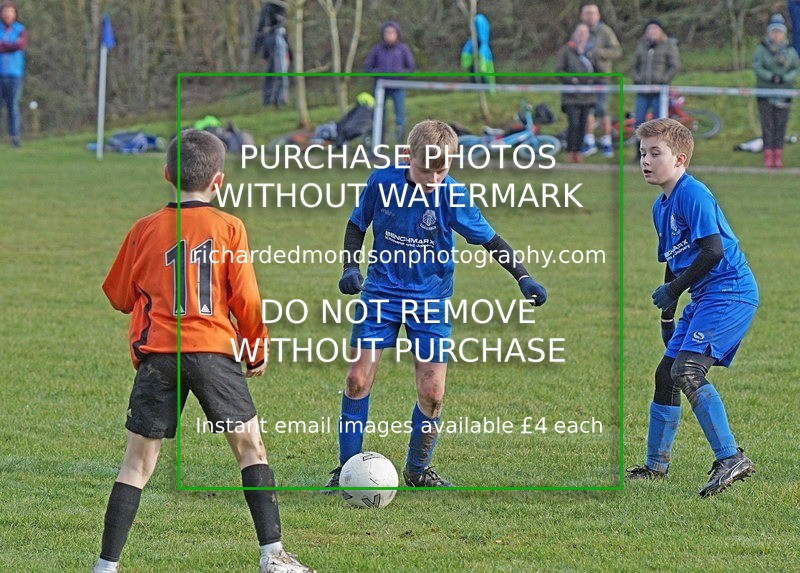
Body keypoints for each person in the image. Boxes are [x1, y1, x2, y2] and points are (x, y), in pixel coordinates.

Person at [93, 130, 314, 573]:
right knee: (250, 448)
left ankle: (106, 566)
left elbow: (118, 295)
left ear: (166, 173)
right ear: (219, 180)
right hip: (214, 353)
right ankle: (272, 556)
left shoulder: (144, 229)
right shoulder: (230, 228)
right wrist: (255, 348)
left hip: (159, 357)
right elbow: (246, 300)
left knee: (137, 463)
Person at [322, 120, 547, 490]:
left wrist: (523, 277)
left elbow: (491, 240)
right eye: (426, 170)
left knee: (433, 392)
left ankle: (418, 470)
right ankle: (347, 469)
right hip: (381, 294)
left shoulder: (452, 195)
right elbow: (356, 225)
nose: (433, 178)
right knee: (357, 378)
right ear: (407, 156)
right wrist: (350, 266)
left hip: (430, 300)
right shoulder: (382, 183)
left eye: (442, 170)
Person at [626, 118, 758, 498]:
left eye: (655, 153)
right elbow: (675, 257)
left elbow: (713, 251)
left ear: (680, 158)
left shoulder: (693, 194)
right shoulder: (660, 205)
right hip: (704, 295)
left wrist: (672, 291)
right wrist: (669, 310)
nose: (646, 161)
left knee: (687, 370)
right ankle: (655, 467)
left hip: (729, 291)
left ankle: (730, 457)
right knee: (666, 374)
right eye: (642, 153)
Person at [752, 13, 799, 168]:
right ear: (769, 33)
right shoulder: (761, 49)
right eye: (774, 32)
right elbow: (757, 66)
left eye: (779, 32)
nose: (776, 35)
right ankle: (768, 155)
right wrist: (771, 77)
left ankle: (778, 156)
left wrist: (784, 78)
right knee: (767, 126)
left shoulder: (790, 51)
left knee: (780, 126)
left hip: (784, 95)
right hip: (765, 94)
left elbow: (795, 68)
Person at [631, 19, 680, 159]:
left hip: (660, 92)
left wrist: (663, 80)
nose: (652, 32)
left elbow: (674, 66)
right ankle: (639, 152)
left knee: (659, 123)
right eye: (649, 29)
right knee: (639, 121)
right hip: (643, 91)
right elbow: (634, 66)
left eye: (655, 29)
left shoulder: (668, 46)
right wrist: (638, 78)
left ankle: (658, 153)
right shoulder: (641, 46)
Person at [579, 4, 622, 158]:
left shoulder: (605, 31)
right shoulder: (580, 31)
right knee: (587, 110)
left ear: (598, 15)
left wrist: (598, 53)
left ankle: (606, 142)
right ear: (582, 15)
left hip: (601, 77)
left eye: (593, 13)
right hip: (585, 78)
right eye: (587, 13)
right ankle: (589, 142)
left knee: (602, 110)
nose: (590, 16)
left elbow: (617, 51)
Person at [365, 21, 415, 144]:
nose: (389, 35)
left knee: (400, 118)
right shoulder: (377, 49)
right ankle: (377, 145)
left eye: (392, 32)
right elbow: (368, 67)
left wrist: (399, 74)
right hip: (381, 88)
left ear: (397, 34)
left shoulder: (403, 49)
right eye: (387, 33)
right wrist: (380, 74)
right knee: (379, 117)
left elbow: (411, 67)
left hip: (398, 87)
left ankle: (400, 147)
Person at [556, 23, 597, 164]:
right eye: (579, 32)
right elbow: (559, 70)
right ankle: (570, 151)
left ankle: (578, 151)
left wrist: (594, 81)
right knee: (573, 123)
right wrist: (571, 80)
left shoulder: (591, 52)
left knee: (583, 124)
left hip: (587, 95)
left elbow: (598, 70)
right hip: (571, 96)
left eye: (584, 32)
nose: (582, 35)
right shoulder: (566, 50)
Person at [254, 0, 290, 107]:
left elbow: (280, 23)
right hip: (270, 42)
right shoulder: (266, 9)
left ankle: (279, 99)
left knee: (280, 72)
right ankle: (270, 100)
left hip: (276, 39)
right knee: (272, 73)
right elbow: (260, 29)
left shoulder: (279, 7)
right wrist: (257, 47)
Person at [0, 0, 26, 147]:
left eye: (10, 12)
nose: (8, 15)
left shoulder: (20, 29)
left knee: (12, 107)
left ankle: (14, 137)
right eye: (5, 12)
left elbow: (20, 45)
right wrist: (11, 45)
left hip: (15, 74)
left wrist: (4, 45)